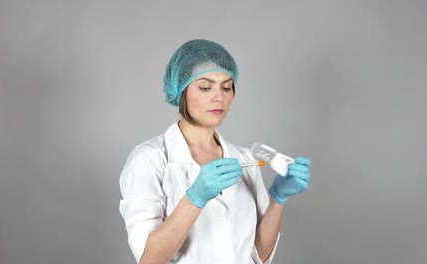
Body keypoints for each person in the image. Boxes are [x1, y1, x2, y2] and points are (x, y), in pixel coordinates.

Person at [119, 39, 311, 263]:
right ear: (181, 91)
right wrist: (194, 198)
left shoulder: (243, 159)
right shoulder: (148, 159)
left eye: (227, 87)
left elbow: (258, 254)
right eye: (205, 87)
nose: (219, 96)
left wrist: (278, 198)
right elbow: (149, 259)